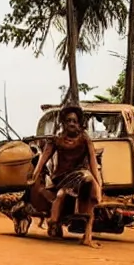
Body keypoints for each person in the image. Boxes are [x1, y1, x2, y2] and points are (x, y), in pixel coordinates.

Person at [29, 105, 104, 248]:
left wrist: (98, 184)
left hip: (81, 177)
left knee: (89, 191)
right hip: (61, 179)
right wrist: (35, 175)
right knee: (61, 194)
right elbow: (43, 159)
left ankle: (87, 237)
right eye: (68, 120)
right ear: (63, 123)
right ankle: (53, 220)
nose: (71, 124)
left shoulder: (84, 140)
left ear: (79, 124)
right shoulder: (57, 140)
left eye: (75, 121)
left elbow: (93, 162)